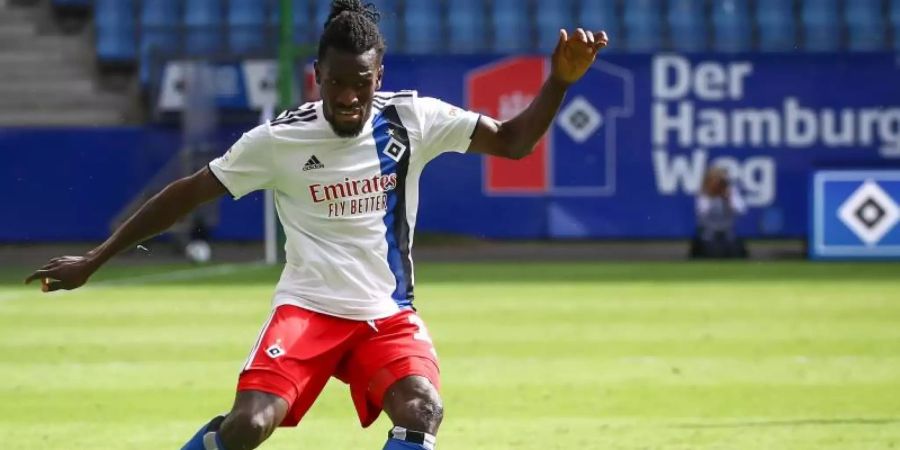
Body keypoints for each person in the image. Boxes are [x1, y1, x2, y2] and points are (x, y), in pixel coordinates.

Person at [25, 1, 608, 449]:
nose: (349, 97)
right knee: (249, 426)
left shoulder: (413, 119)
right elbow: (185, 193)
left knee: (423, 410)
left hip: (385, 314)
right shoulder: (280, 140)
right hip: (307, 310)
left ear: (380, 74)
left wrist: (558, 81)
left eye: (362, 82)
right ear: (317, 77)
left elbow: (514, 142)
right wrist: (94, 260)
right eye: (337, 83)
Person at [691, 167, 748, 259]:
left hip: (728, 234)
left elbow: (741, 209)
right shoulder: (704, 194)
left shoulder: (731, 192)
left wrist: (728, 199)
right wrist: (713, 196)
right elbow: (702, 212)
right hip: (709, 235)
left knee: (735, 250)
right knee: (712, 251)